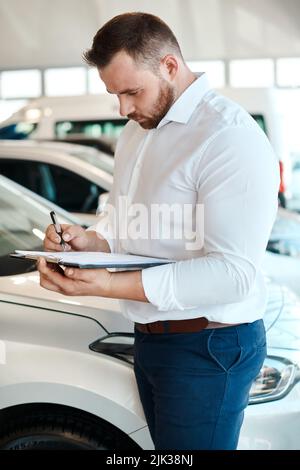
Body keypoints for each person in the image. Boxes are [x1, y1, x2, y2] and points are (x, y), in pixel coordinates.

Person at [37, 12, 280, 450]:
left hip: (209, 347)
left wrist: (110, 286)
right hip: (151, 339)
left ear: (169, 66)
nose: (123, 109)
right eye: (115, 95)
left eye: (132, 92)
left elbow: (232, 273)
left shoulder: (228, 136)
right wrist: (90, 240)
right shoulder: (137, 130)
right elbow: (127, 220)